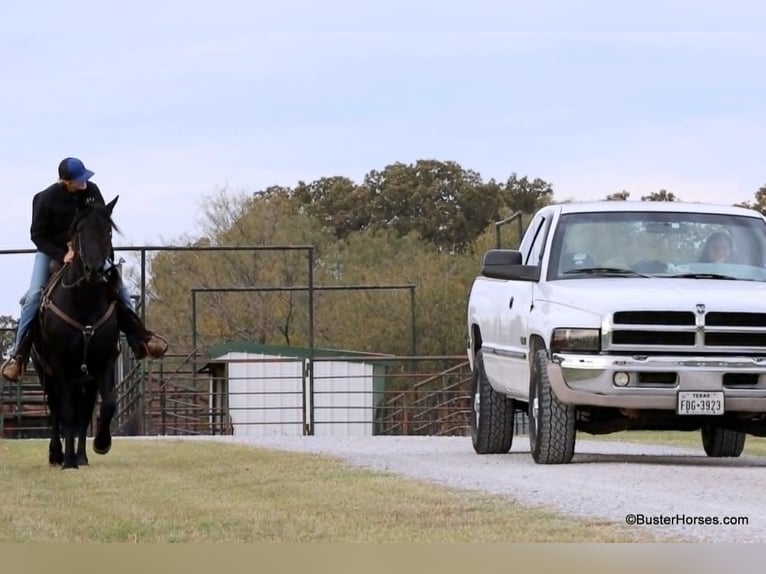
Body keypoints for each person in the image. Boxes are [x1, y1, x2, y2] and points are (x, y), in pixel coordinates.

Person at [1, 157, 168, 382]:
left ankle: (139, 339)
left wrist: (98, 252)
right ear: (65, 182)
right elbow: (38, 235)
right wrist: (63, 253)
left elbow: (100, 222)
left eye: (85, 177)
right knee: (32, 297)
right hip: (52, 251)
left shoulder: (92, 191)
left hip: (88, 252)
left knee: (121, 290)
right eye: (79, 179)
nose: (84, 182)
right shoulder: (45, 199)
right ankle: (18, 357)